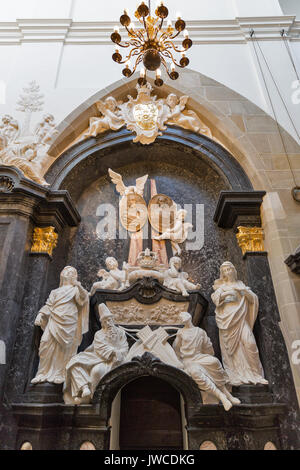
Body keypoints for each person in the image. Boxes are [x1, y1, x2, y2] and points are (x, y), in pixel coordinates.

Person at [211, 261, 268, 386]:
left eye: (230, 269)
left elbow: (253, 299)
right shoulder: (221, 286)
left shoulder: (240, 284)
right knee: (232, 351)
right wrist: (227, 294)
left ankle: (256, 374)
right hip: (227, 320)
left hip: (241, 320)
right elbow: (215, 298)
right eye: (225, 270)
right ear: (223, 274)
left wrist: (245, 293)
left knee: (250, 343)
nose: (228, 272)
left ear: (234, 270)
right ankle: (237, 374)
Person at [31, 266, 89, 384]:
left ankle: (60, 373)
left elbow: (83, 299)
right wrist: (40, 314)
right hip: (54, 319)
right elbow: (49, 305)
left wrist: (78, 285)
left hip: (69, 320)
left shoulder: (75, 289)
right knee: (45, 344)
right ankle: (42, 372)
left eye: (72, 272)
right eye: (67, 271)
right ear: (62, 274)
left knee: (64, 348)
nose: (69, 273)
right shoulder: (55, 291)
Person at [173, 312, 240, 411]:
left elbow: (208, 348)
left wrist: (205, 353)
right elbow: (176, 348)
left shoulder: (200, 331)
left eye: (184, 314)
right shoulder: (181, 332)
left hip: (199, 356)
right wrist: (180, 362)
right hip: (188, 360)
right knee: (195, 372)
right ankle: (222, 397)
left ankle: (228, 395)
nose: (183, 317)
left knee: (214, 361)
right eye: (181, 316)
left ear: (190, 316)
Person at [63, 303, 128, 404]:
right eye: (105, 321)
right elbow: (101, 348)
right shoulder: (99, 334)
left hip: (118, 360)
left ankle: (92, 397)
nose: (108, 322)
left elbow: (124, 347)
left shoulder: (121, 332)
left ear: (113, 320)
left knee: (96, 371)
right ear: (102, 323)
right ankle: (84, 388)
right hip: (100, 357)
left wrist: (118, 354)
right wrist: (114, 351)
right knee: (74, 362)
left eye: (109, 320)